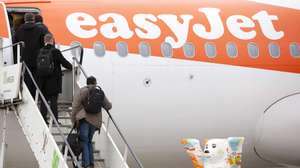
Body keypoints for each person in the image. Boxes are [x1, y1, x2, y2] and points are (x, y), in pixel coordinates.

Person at [71, 76, 112, 168]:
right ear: (95, 83)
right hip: (95, 122)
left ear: (87, 83)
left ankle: (86, 164)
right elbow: (108, 106)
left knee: (84, 141)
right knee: (89, 141)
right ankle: (91, 163)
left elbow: (75, 106)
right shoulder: (100, 92)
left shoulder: (82, 91)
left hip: (84, 120)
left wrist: (73, 119)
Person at [38, 33, 72, 124]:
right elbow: (63, 62)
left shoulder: (40, 51)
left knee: (44, 101)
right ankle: (54, 120)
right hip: (54, 81)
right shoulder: (55, 51)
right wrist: (72, 67)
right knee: (53, 102)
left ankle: (43, 119)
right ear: (52, 40)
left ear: (44, 41)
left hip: (42, 81)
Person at [13, 12, 46, 97]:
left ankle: (27, 96)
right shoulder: (39, 29)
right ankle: (35, 96)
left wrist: (17, 58)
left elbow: (15, 44)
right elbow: (43, 43)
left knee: (26, 79)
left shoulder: (19, 29)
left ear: (25, 19)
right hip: (36, 59)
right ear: (33, 19)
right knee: (35, 79)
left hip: (24, 58)